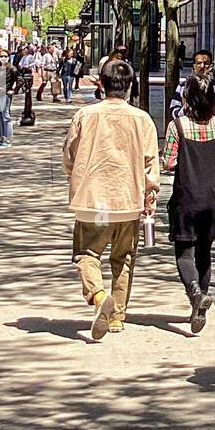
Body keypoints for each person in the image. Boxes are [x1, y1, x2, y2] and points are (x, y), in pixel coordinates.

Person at [60, 59, 159, 339]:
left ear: (101, 85)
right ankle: (117, 316)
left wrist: (73, 175)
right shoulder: (142, 120)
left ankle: (99, 295)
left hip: (92, 200)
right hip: (129, 199)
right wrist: (150, 196)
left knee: (86, 254)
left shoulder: (85, 115)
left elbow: (69, 155)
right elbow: (151, 163)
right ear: (129, 87)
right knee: (124, 258)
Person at [162, 75, 215, 332]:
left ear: (188, 98)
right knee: (205, 252)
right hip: (213, 197)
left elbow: (169, 163)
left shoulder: (178, 126)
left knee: (184, 252)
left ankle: (195, 293)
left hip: (186, 196)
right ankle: (201, 302)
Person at [169, 50, 215, 123]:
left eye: (206, 63)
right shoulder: (183, 86)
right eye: (199, 63)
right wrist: (185, 109)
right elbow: (173, 111)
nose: (202, 66)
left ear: (210, 66)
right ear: (194, 65)